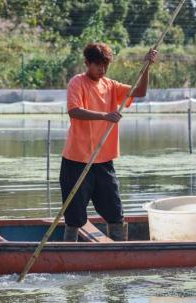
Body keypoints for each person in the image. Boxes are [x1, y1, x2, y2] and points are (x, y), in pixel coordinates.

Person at [60, 43, 158, 241]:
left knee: (114, 211)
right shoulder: (77, 83)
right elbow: (74, 110)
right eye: (98, 66)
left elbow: (139, 91)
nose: (102, 70)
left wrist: (147, 66)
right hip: (77, 160)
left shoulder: (110, 85)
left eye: (105, 65)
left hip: (103, 161)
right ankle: (70, 252)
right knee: (74, 216)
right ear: (87, 63)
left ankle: (120, 251)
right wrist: (105, 115)